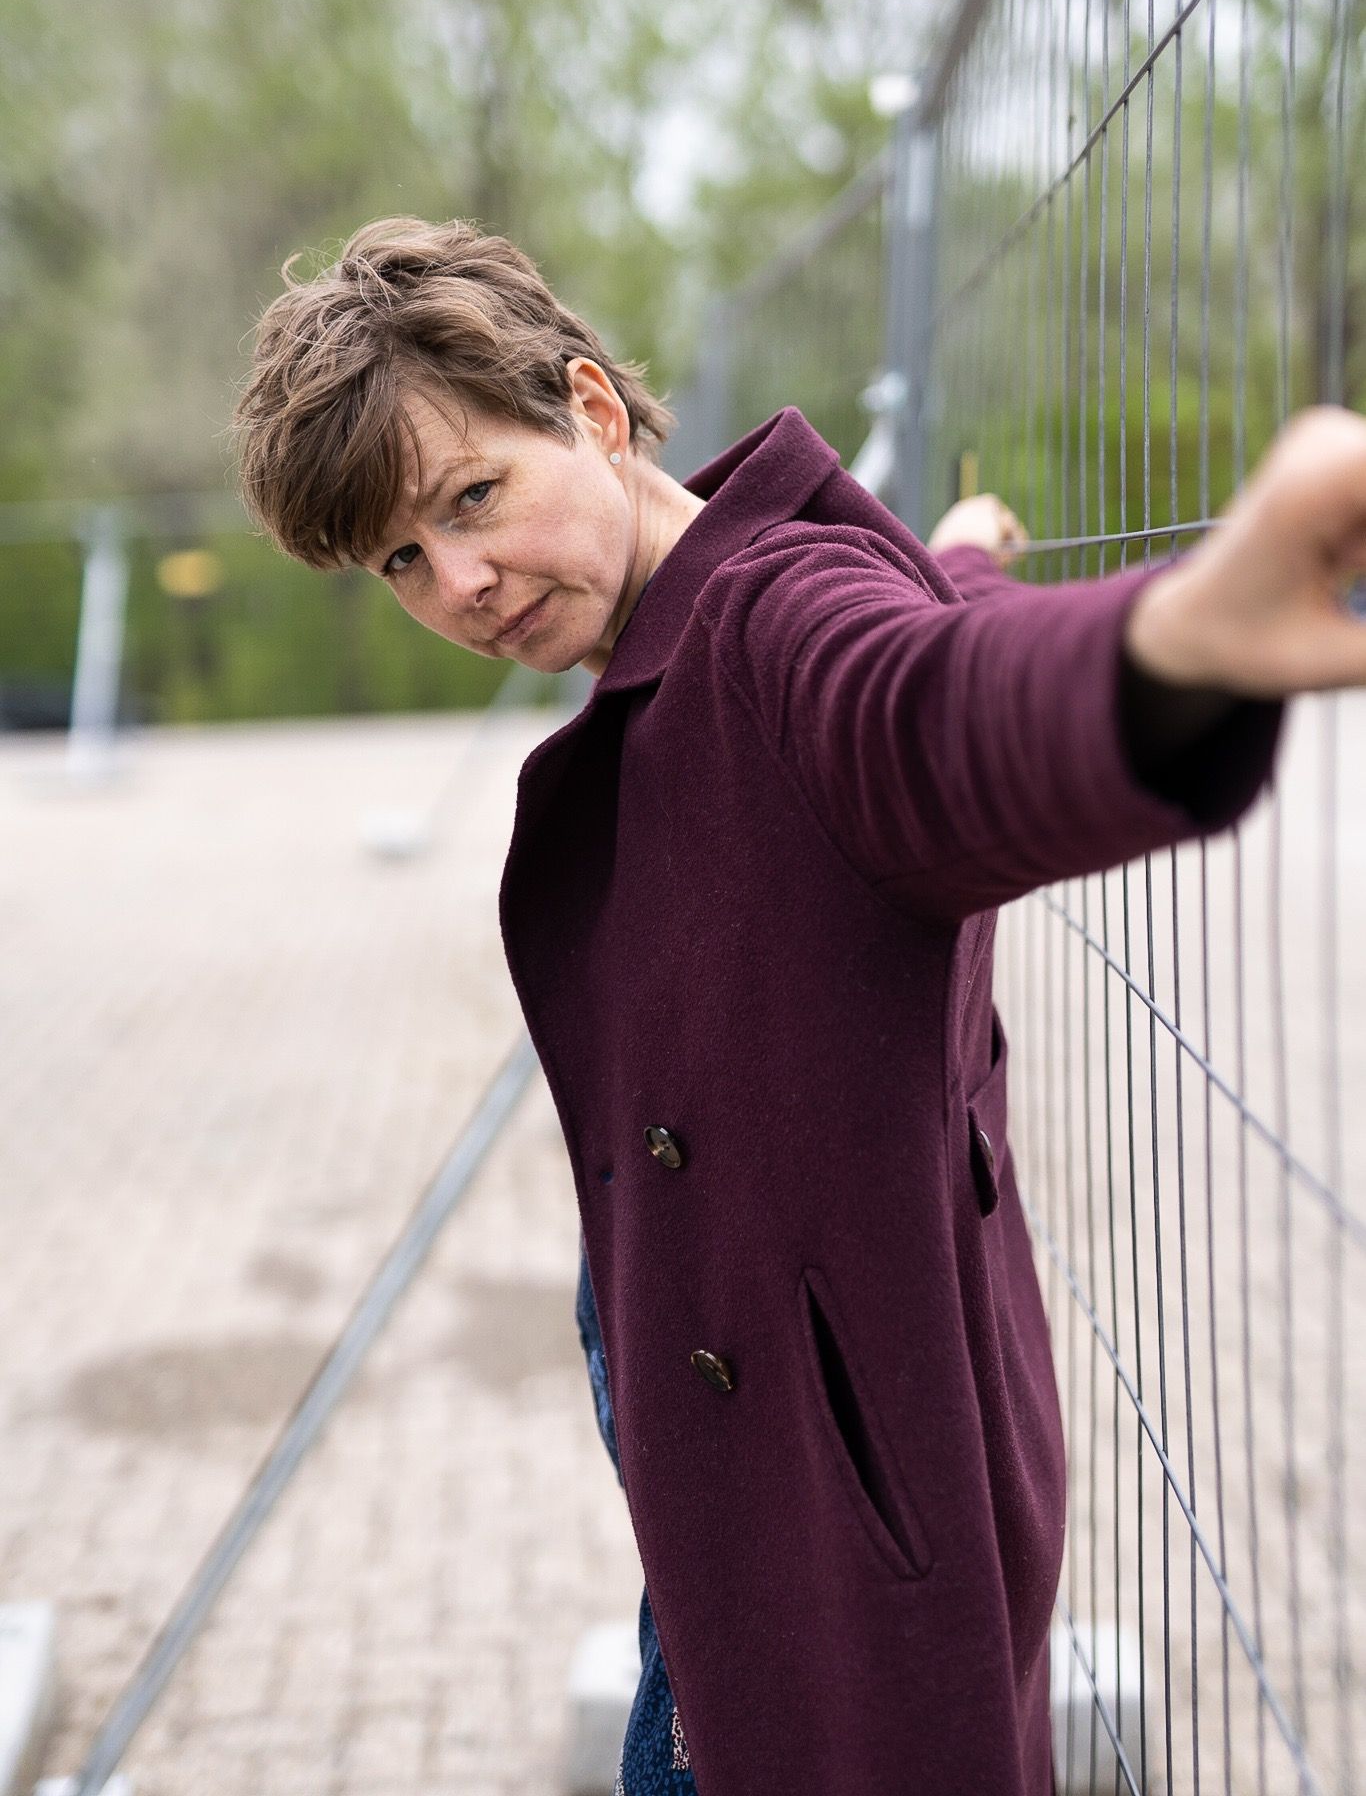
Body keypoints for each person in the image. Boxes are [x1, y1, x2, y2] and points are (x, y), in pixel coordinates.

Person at [231, 216, 1366, 1795]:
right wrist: (963, 556)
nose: (460, 585)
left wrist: (1168, 649)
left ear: (594, 410)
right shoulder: (740, 588)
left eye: (470, 499)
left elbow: (925, 713)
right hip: (742, 1458)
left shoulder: (767, 621)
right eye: (400, 563)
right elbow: (926, 627)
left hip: (821, 1508)